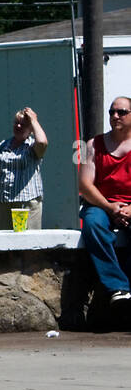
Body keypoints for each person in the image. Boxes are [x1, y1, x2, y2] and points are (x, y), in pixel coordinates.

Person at [76, 97, 131, 304]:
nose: (115, 116)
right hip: (101, 203)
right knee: (93, 224)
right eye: (111, 112)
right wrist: (109, 207)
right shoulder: (94, 145)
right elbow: (85, 185)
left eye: (122, 112)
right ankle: (117, 287)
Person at [0, 107, 47, 230]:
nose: (18, 126)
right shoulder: (2, 145)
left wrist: (34, 120)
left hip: (27, 204)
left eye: (23, 124)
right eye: (16, 123)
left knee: (28, 244)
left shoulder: (32, 146)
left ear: (31, 128)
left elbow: (43, 142)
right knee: (4, 245)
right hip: (1, 203)